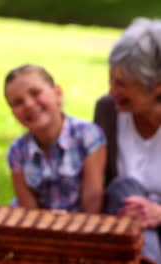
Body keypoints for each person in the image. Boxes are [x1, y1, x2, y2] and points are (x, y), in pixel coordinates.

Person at [94, 17, 161, 263]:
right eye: (110, 79)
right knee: (124, 188)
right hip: (125, 228)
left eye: (121, 84)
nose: (112, 91)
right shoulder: (107, 110)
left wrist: (159, 213)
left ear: (156, 87)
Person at [4, 64, 107, 213]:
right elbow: (28, 211)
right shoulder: (17, 151)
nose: (29, 104)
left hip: (83, 225)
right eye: (18, 102)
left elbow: (93, 201)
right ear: (13, 113)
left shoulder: (88, 136)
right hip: (39, 229)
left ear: (58, 93)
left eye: (35, 93)